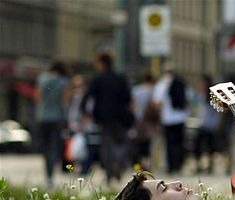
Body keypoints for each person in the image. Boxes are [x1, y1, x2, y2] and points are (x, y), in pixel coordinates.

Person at [81, 52, 133, 183]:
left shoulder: (98, 78)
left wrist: (84, 111)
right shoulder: (120, 77)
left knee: (106, 145)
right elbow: (128, 98)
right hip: (120, 116)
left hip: (103, 116)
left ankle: (110, 170)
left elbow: (88, 95)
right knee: (123, 142)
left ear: (101, 63)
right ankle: (118, 164)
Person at [35, 61, 70, 187]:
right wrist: (67, 119)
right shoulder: (63, 81)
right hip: (57, 118)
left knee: (45, 147)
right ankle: (51, 174)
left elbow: (38, 97)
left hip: (43, 117)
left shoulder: (42, 79)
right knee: (54, 146)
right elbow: (65, 101)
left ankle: (48, 175)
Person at [152, 64, 189, 174]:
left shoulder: (162, 84)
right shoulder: (182, 83)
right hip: (181, 117)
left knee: (169, 143)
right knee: (179, 143)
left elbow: (156, 102)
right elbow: (188, 99)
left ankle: (171, 166)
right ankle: (179, 165)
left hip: (167, 119)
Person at [193, 75, 220, 174]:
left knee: (211, 147)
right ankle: (199, 165)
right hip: (202, 124)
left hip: (211, 125)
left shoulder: (213, 96)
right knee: (198, 146)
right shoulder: (200, 95)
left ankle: (210, 166)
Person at [131, 70, 157, 171]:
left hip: (138, 121)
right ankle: (149, 164)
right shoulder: (154, 90)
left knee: (139, 144)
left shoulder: (136, 90)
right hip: (150, 121)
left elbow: (132, 105)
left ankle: (139, 164)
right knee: (150, 143)